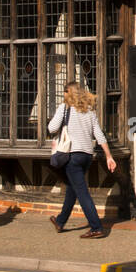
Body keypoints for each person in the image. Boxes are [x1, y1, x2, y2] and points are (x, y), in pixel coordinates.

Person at [47, 82, 117, 239]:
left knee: (82, 193)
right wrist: (108, 156)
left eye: (65, 91)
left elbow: (52, 128)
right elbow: (99, 135)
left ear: (69, 93)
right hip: (86, 156)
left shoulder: (64, 108)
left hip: (72, 155)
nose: (63, 94)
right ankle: (60, 221)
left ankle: (96, 227)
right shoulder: (89, 112)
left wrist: (60, 117)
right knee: (73, 189)